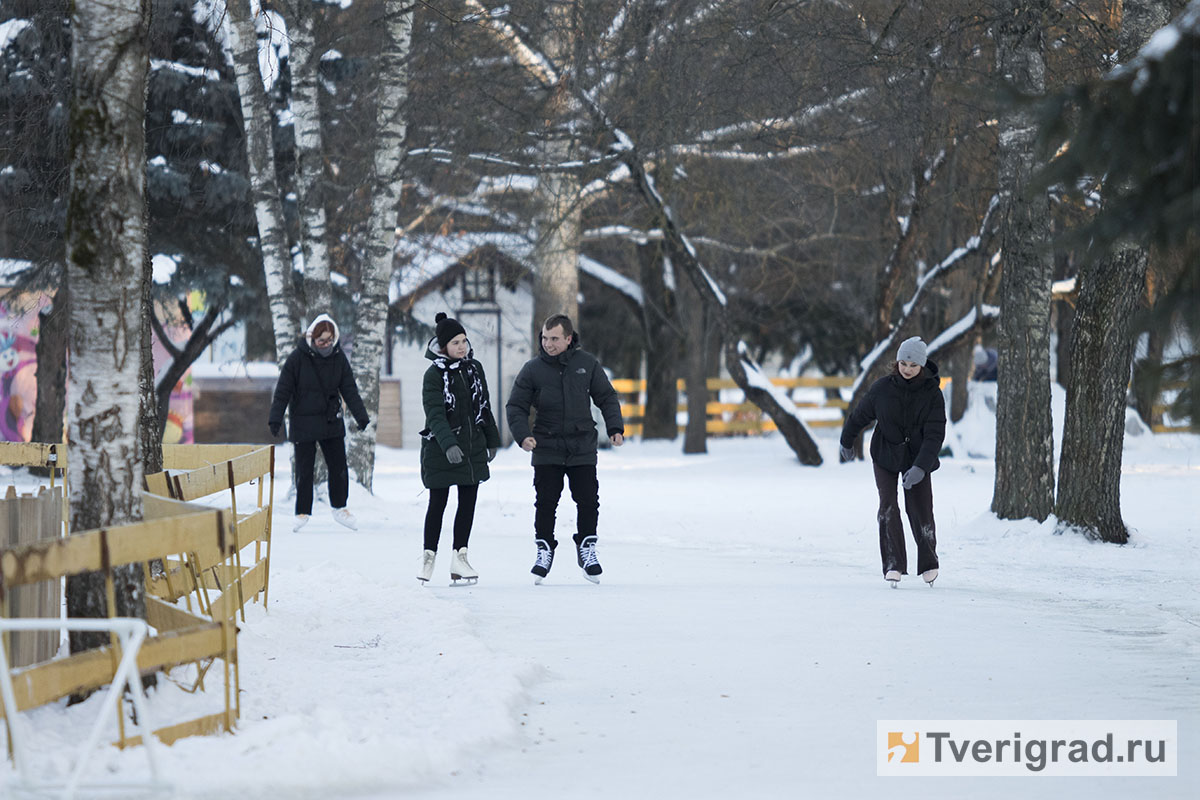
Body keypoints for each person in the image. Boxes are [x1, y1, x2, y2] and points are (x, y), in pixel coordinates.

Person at [506, 314, 625, 584]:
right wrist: (522, 435)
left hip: (581, 444)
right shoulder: (532, 369)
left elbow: (606, 396)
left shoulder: (587, 364)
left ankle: (587, 547)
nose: (548, 344)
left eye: (555, 339)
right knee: (546, 502)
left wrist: (614, 427)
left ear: (568, 339)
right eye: (545, 338)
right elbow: (516, 406)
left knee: (587, 500)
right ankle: (544, 549)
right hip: (546, 445)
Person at [839, 336, 945, 588]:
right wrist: (846, 440)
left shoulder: (932, 394)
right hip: (886, 454)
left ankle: (929, 563)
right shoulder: (882, 388)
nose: (907, 369)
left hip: (918, 457)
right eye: (903, 363)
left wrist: (921, 466)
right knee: (888, 506)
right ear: (897, 362)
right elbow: (859, 415)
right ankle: (893, 565)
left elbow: (935, 433)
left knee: (920, 509)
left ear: (922, 365)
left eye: (913, 365)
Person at [418, 312, 501, 585]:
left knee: (468, 503)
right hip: (441, 450)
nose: (462, 347)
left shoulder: (474, 369)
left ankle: (460, 558)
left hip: (472, 448)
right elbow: (435, 415)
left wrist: (492, 439)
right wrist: (448, 444)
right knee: (438, 504)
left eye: (464, 340)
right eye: (455, 342)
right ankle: (428, 556)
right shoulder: (433, 376)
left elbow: (484, 406)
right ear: (443, 347)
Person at [269, 313, 370, 531]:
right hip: (303, 422)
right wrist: (275, 418)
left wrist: (361, 416)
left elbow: (350, 390)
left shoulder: (338, 358)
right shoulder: (297, 359)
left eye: (329, 340)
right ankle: (302, 512)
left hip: (330, 420)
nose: (325, 345)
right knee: (305, 470)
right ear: (312, 339)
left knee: (339, 466)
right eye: (321, 340)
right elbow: (283, 391)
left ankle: (340, 507)